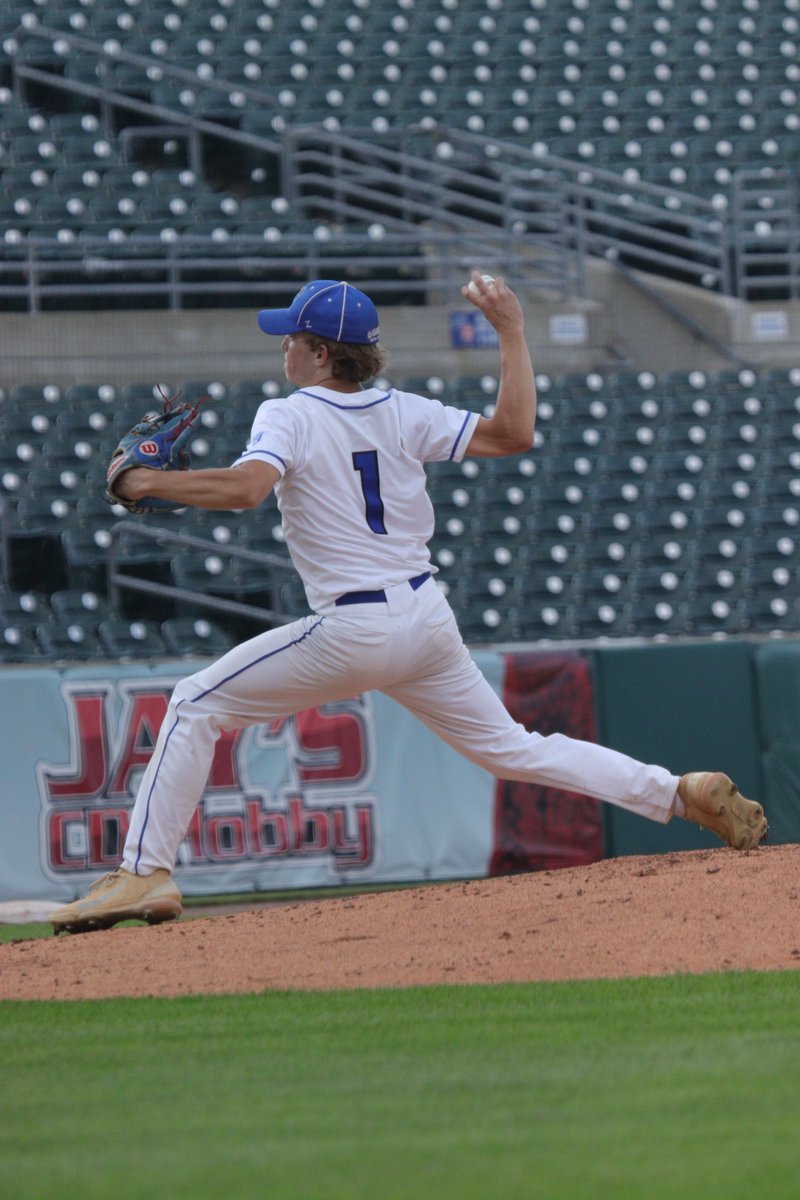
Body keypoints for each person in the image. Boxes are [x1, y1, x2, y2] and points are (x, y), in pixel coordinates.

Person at [50, 274, 768, 933]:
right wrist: (513, 334)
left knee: (193, 704)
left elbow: (245, 490)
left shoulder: (290, 413)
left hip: (354, 625)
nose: (284, 348)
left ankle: (143, 873)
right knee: (514, 748)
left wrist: (144, 484)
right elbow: (514, 433)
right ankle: (677, 791)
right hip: (424, 620)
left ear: (321, 352)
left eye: (293, 337)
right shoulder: (402, 411)